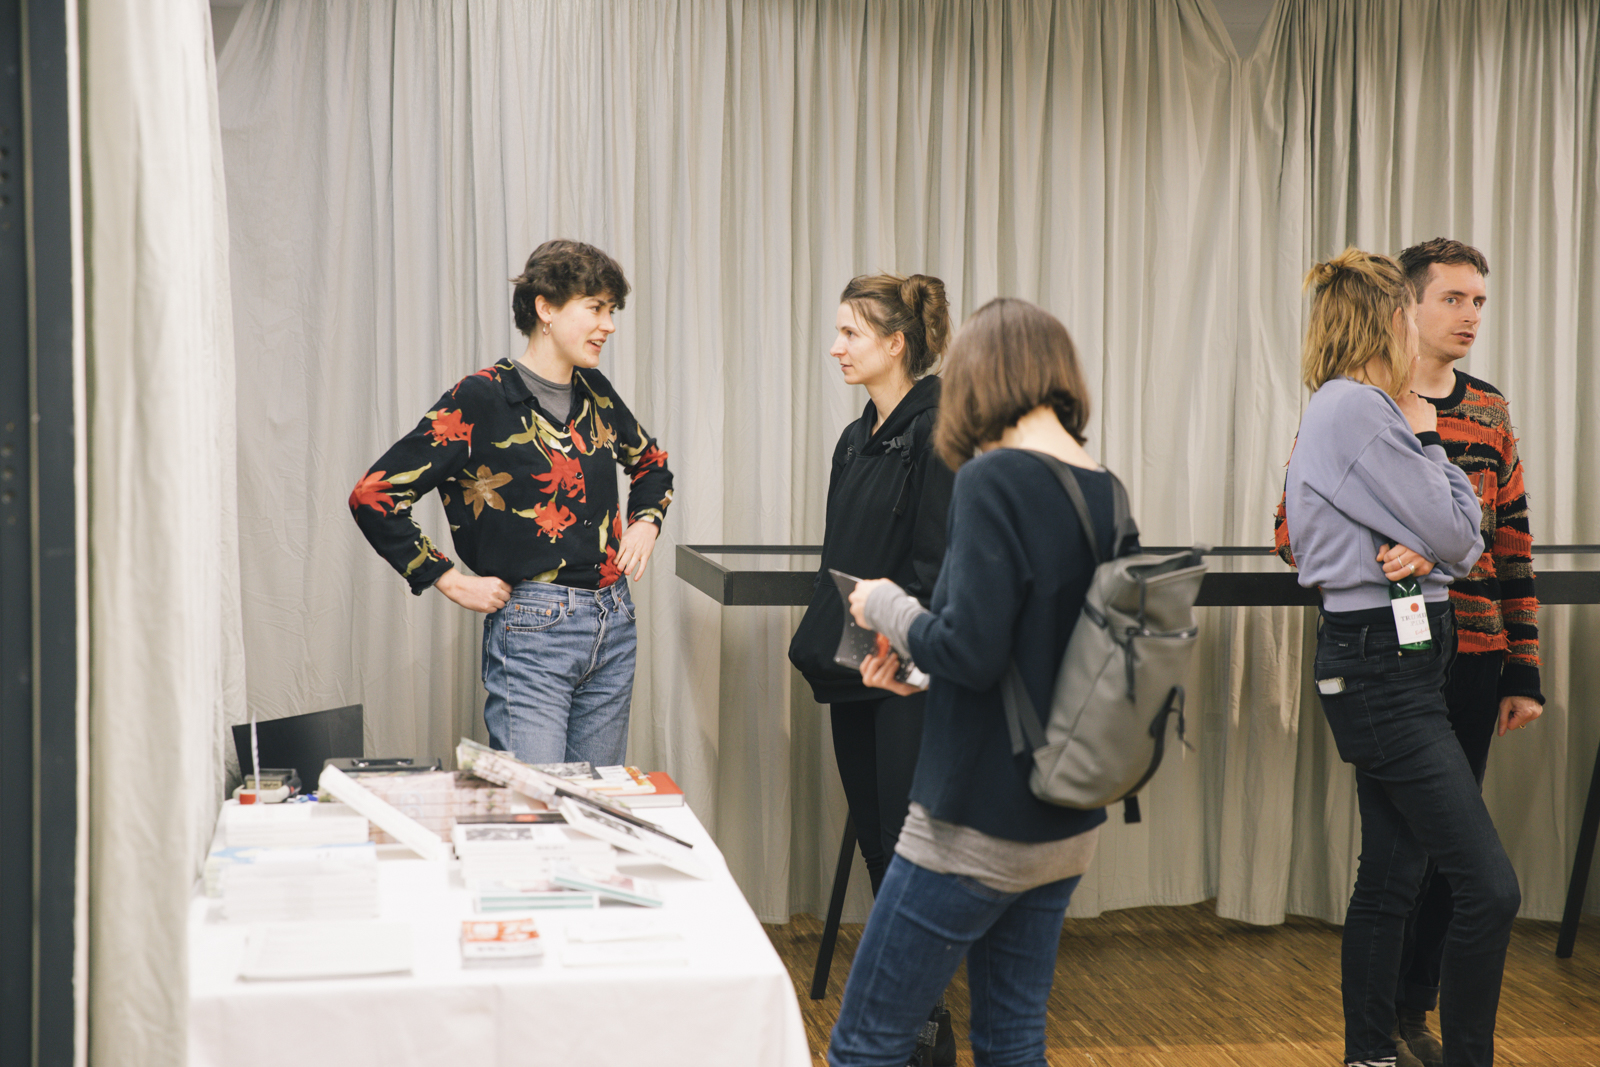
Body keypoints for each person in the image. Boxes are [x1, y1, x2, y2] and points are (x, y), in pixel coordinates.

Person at [1273, 238, 1541, 1067]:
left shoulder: (1367, 407)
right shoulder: (1360, 410)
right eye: (1445, 300)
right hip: (1384, 662)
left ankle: (1370, 1055)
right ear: (1392, 317)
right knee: (1488, 887)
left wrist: (1431, 530)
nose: (1464, 316)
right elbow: (1460, 535)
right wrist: (1429, 444)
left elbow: (1468, 539)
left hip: (1406, 652)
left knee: (1391, 874)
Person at [827, 297, 1110, 1067]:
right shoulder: (1102, 487)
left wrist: (886, 605)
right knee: (1011, 1039)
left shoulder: (994, 479)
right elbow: (1032, 650)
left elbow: (971, 647)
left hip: (978, 815)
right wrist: (922, 672)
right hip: (1069, 817)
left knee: (865, 1042)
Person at [350, 239, 673, 765]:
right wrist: (447, 578)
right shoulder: (480, 398)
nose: (609, 325)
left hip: (614, 624)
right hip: (533, 630)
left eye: (612, 311)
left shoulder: (595, 391)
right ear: (546, 308)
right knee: (537, 804)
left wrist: (646, 522)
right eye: (595, 308)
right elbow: (375, 495)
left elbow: (652, 464)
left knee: (593, 804)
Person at [786, 273, 956, 1066]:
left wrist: (895, 647)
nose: (836, 348)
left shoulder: (941, 431)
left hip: (908, 667)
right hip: (854, 664)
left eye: (851, 333)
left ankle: (925, 1030)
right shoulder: (855, 439)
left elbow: (935, 566)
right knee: (880, 848)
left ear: (897, 343)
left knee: (904, 845)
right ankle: (913, 1019)